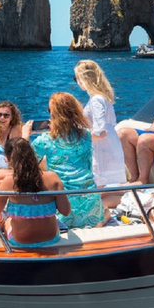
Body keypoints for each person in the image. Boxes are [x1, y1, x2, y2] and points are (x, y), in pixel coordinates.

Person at [24, 92, 104, 228]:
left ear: (54, 115)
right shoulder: (86, 136)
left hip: (62, 208)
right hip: (91, 206)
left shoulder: (45, 141)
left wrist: (25, 137)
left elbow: (23, 165)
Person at [0, 138, 70, 247]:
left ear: (9, 159)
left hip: (20, 241)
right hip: (51, 238)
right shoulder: (52, 177)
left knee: (8, 220)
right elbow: (65, 211)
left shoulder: (9, 182)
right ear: (32, 154)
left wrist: (0, 222)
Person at [74, 60, 126, 188]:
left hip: (101, 149)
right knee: (100, 189)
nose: (77, 82)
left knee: (98, 190)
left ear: (84, 79)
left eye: (77, 78)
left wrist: (77, 136)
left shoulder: (96, 100)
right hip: (106, 147)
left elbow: (100, 132)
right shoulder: (101, 97)